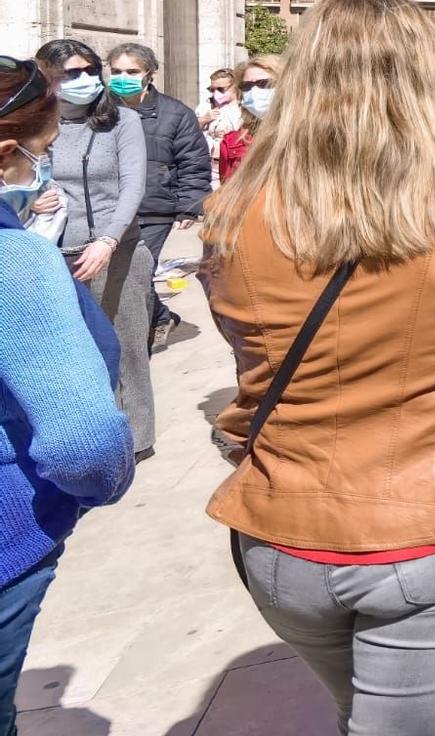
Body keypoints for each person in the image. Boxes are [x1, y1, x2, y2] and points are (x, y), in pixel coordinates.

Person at [203, 0, 435, 730]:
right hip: (429, 534)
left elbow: (246, 344)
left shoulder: (232, 210)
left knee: (356, 713)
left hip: (280, 538)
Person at [0, 55, 135, 733]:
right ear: (6, 155)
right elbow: (83, 434)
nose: (39, 170)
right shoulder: (16, 262)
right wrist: (93, 488)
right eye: (37, 154)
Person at [37, 39, 155, 459]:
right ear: (49, 78)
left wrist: (108, 240)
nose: (85, 79)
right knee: (77, 356)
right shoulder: (36, 124)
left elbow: (133, 186)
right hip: (55, 253)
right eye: (72, 73)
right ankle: (97, 437)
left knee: (126, 349)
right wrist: (31, 200)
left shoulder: (121, 120)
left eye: (90, 70)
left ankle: (138, 441)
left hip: (116, 250)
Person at [105, 43, 209, 351]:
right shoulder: (100, 109)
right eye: (117, 71)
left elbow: (193, 161)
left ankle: (134, 339)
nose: (123, 77)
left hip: (154, 208)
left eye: (132, 71)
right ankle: (160, 315)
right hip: (109, 206)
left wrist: (189, 207)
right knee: (118, 273)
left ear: (150, 73)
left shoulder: (176, 114)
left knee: (139, 271)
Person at [217, 55, 283, 184]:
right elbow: (226, 188)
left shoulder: (308, 135)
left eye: (263, 84)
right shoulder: (232, 142)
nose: (253, 90)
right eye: (246, 86)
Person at [198, 67, 241, 187]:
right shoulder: (206, 105)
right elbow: (189, 129)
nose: (216, 93)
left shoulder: (244, 108)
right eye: (212, 89)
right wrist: (203, 120)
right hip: (208, 164)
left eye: (221, 89)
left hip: (232, 165)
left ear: (234, 87)